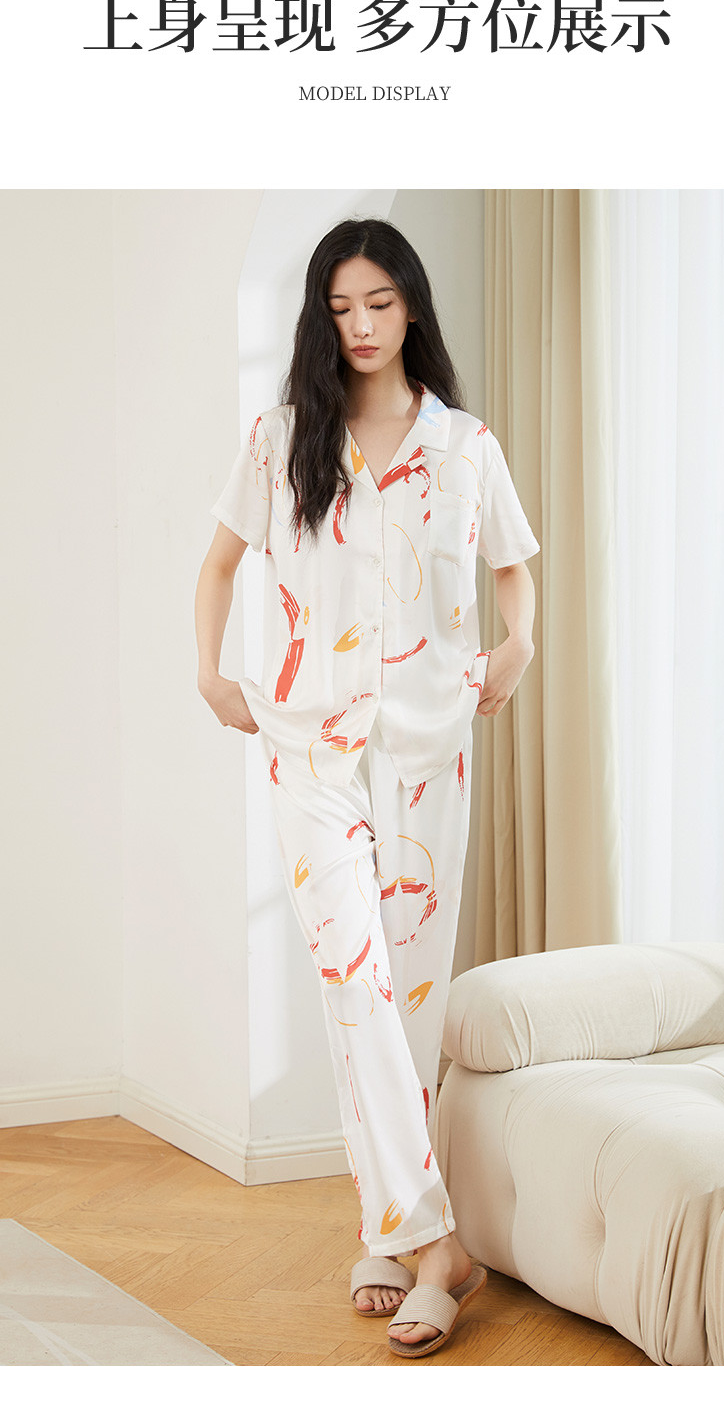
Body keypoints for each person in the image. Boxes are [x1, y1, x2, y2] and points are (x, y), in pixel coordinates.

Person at [194, 217, 538, 1358]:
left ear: (411, 306)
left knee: (407, 995)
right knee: (352, 976)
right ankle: (441, 1246)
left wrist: (519, 646)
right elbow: (219, 563)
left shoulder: (464, 446)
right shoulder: (282, 436)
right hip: (310, 746)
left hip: (430, 742)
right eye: (340, 308)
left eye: (379, 303)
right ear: (320, 317)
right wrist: (211, 671)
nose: (361, 325)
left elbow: (515, 571)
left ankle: (385, 1230)